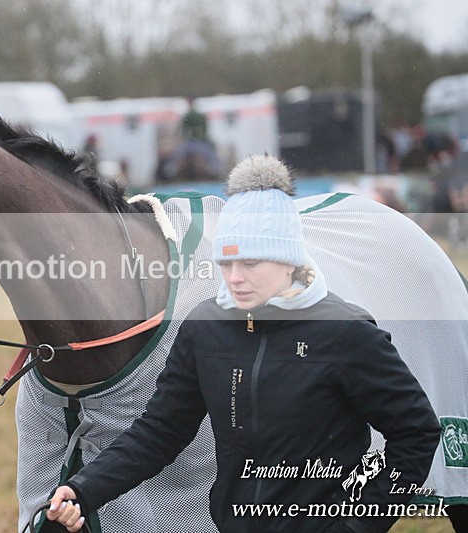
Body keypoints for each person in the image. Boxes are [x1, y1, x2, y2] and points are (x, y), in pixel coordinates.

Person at [46, 155, 441, 532]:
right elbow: (160, 432)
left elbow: (417, 433)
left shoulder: (345, 333)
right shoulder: (204, 328)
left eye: (250, 263)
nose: (234, 277)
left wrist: (356, 525)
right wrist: (83, 490)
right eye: (226, 262)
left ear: (288, 261)